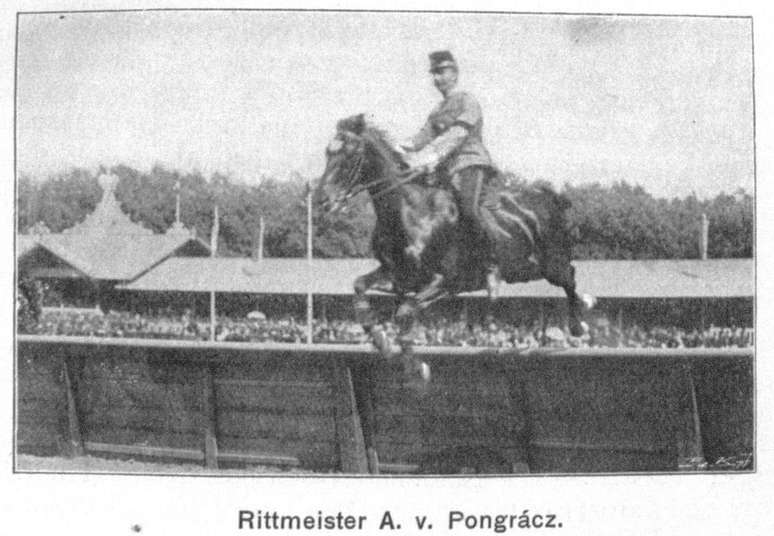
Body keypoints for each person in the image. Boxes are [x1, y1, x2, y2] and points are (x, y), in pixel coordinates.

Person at [401, 50, 502, 294]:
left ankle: (492, 265)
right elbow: (417, 140)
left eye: (442, 72)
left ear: (455, 74)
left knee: (468, 210)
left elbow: (458, 133)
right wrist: (392, 146)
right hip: (444, 172)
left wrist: (431, 156)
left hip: (470, 163)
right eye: (434, 73)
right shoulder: (436, 111)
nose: (437, 78)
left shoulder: (467, 101)